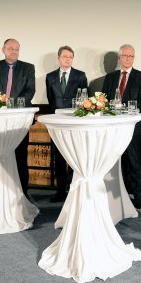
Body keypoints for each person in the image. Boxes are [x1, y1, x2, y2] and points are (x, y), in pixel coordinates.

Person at [0, 38, 36, 197]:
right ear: (3, 50)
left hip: (19, 119)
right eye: (11, 48)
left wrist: (11, 104)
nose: (14, 51)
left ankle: (22, 194)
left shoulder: (28, 68)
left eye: (17, 49)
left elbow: (29, 92)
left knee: (20, 157)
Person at [101, 44, 141, 209]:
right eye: (125, 56)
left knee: (134, 163)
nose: (128, 59)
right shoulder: (110, 77)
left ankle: (137, 196)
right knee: (112, 163)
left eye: (131, 56)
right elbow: (102, 101)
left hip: (133, 128)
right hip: (112, 128)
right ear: (119, 58)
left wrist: (121, 107)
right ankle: (113, 196)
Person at [45, 46, 88, 202]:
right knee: (59, 158)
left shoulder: (80, 75)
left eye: (70, 56)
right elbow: (51, 99)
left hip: (74, 122)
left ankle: (74, 187)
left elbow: (85, 100)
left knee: (76, 155)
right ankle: (60, 190)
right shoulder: (50, 77)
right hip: (57, 123)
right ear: (59, 58)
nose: (68, 59)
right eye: (65, 56)